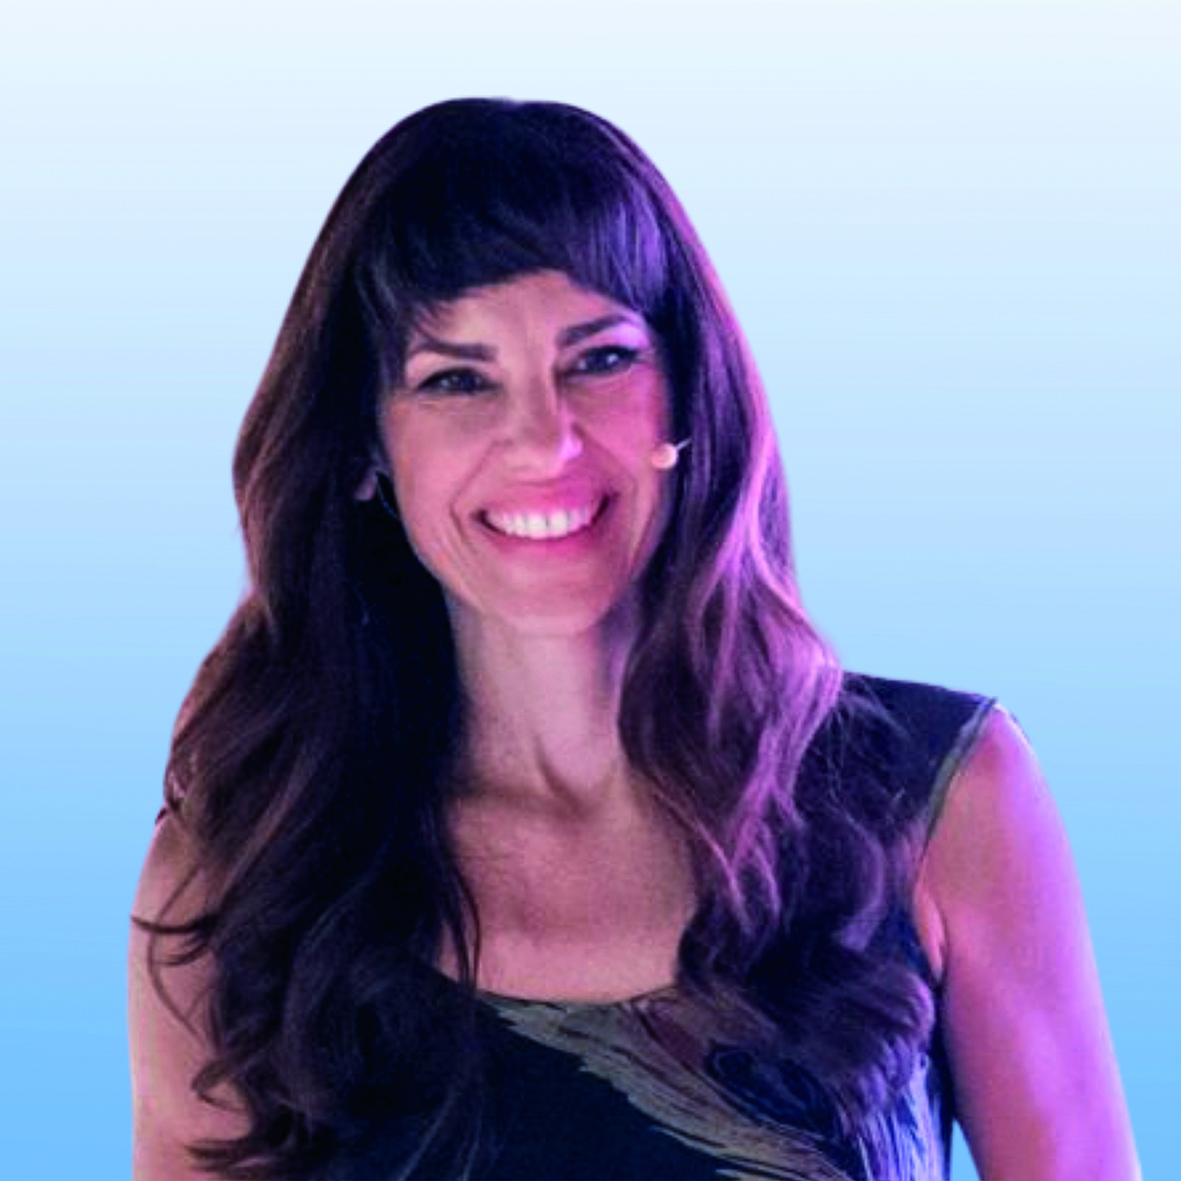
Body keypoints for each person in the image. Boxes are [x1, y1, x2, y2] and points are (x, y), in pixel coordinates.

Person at [128, 98, 1139, 1181]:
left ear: (684, 396)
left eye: (599, 359)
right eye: (456, 379)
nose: (543, 439)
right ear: (366, 448)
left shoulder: (938, 801)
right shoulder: (245, 876)